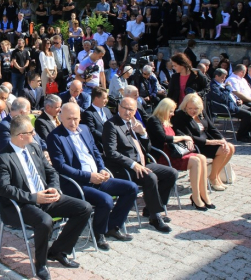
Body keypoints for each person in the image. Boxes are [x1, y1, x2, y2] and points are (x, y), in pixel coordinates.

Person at [0, 115, 92, 280]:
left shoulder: (34, 148)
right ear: (21, 136)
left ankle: (58, 251)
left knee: (84, 208)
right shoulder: (3, 157)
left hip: (45, 196)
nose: (35, 135)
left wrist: (55, 188)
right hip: (23, 204)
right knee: (45, 221)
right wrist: (34, 198)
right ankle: (41, 264)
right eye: (31, 132)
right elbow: (4, 189)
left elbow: (51, 171)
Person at [48, 103, 137, 250]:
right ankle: (99, 234)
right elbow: (61, 167)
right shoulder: (55, 137)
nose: (73, 122)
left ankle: (112, 226)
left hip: (97, 178)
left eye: (76, 118)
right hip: (77, 184)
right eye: (69, 119)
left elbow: (95, 152)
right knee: (106, 200)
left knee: (131, 188)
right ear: (60, 117)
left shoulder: (85, 129)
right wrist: (89, 176)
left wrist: (102, 169)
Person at [102, 97, 178, 232]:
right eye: (124, 108)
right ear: (119, 107)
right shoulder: (111, 125)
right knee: (151, 177)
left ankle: (152, 208)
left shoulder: (134, 124)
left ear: (135, 110)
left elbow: (147, 149)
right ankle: (155, 217)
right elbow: (111, 152)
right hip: (124, 168)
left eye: (130, 109)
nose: (127, 112)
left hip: (141, 163)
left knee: (171, 173)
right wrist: (132, 164)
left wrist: (143, 134)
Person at [148, 99, 215, 210]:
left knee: (202, 157)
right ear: (164, 109)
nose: (173, 114)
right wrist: (184, 137)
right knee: (196, 161)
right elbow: (164, 138)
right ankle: (196, 196)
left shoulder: (168, 120)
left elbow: (178, 132)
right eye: (171, 111)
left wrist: (186, 138)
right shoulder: (154, 120)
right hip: (163, 156)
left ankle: (203, 194)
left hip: (174, 152)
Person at [172, 93, 235, 191]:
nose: (193, 111)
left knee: (230, 147)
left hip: (208, 141)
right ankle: (213, 178)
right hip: (196, 145)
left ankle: (215, 175)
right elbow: (189, 136)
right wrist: (210, 142)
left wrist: (223, 140)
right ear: (185, 106)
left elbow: (212, 128)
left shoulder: (201, 113)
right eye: (190, 108)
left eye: (196, 108)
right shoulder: (180, 115)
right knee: (222, 150)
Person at [207, 68, 251, 142]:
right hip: (225, 108)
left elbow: (230, 95)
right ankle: (241, 136)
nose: (224, 79)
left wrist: (238, 99)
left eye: (225, 77)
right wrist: (228, 87)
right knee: (248, 114)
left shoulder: (221, 84)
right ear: (216, 76)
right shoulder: (213, 86)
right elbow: (222, 98)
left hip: (233, 104)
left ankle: (247, 134)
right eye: (222, 77)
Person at [81, 87, 113, 154]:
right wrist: (106, 138)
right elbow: (92, 130)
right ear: (96, 98)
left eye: (107, 98)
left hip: (112, 143)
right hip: (99, 146)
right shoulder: (88, 113)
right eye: (104, 98)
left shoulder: (107, 110)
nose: (107, 100)